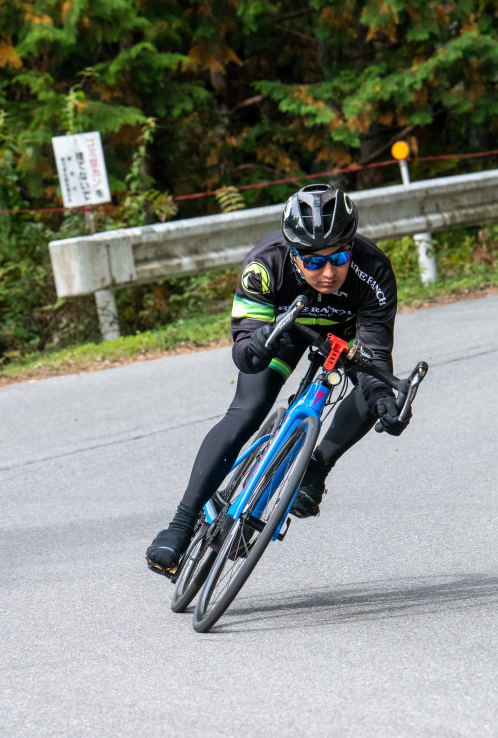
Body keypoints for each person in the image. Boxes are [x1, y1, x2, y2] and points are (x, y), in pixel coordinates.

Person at [146, 183, 409, 576]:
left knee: (376, 390)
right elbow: (245, 354)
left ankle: (317, 467)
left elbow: (374, 354)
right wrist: (258, 346)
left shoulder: (373, 270)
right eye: (314, 261)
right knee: (247, 410)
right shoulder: (264, 265)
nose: (329, 272)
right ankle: (181, 524)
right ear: (292, 253)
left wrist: (382, 395)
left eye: (338, 256)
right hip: (279, 332)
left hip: (346, 334)